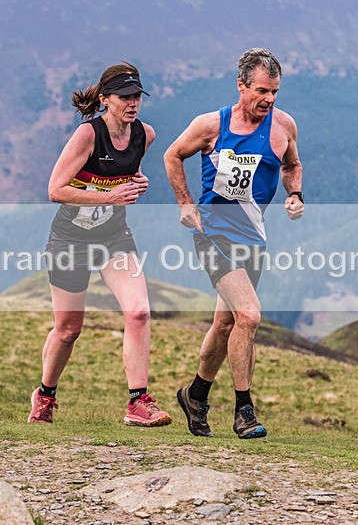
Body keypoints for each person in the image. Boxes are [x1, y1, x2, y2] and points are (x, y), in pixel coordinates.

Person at [163, 48, 304, 439]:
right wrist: (185, 204)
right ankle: (244, 411)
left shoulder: (283, 126)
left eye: (275, 91)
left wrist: (296, 195)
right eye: (261, 90)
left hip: (254, 237)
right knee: (250, 315)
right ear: (241, 86)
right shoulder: (210, 125)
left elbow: (293, 164)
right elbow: (173, 155)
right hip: (213, 234)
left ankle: (195, 395)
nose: (269, 99)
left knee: (226, 322)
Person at [28, 62, 172, 428]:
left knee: (139, 311)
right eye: (124, 97)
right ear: (105, 99)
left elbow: (128, 174)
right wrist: (110, 195)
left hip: (113, 238)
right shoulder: (88, 136)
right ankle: (45, 394)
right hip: (70, 240)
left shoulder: (146, 135)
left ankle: (138, 401)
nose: (132, 103)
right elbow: (55, 190)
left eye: (137, 96)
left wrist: (137, 183)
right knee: (68, 330)